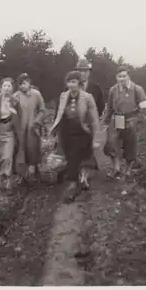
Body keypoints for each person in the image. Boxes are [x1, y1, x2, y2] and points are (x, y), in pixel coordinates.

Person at [50, 71, 101, 203]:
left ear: (79, 83)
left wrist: (96, 139)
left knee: (74, 158)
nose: (71, 85)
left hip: (82, 133)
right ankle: (78, 178)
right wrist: (55, 132)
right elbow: (59, 114)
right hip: (66, 133)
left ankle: (72, 187)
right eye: (69, 82)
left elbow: (94, 120)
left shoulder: (87, 97)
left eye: (73, 82)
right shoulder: (63, 96)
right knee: (69, 158)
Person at [103, 65, 146, 176]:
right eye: (120, 76)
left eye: (124, 76)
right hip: (117, 118)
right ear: (116, 77)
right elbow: (109, 107)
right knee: (111, 143)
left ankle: (128, 170)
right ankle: (116, 169)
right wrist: (105, 121)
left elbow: (145, 108)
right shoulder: (113, 90)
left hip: (131, 119)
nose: (122, 78)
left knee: (130, 144)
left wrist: (137, 120)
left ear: (128, 77)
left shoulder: (137, 89)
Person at [74, 58, 106, 187]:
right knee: (76, 150)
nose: (83, 74)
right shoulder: (71, 86)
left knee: (88, 150)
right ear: (77, 72)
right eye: (81, 71)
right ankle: (79, 171)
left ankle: (84, 177)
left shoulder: (95, 88)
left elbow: (101, 106)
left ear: (89, 72)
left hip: (90, 125)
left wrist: (94, 119)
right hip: (75, 124)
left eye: (86, 71)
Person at [13, 73, 46, 184]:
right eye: (20, 84)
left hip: (33, 127)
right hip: (20, 128)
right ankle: (23, 175)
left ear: (29, 83)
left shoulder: (36, 94)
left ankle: (36, 170)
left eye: (24, 83)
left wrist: (37, 121)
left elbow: (42, 110)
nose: (22, 86)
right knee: (21, 151)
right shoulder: (16, 96)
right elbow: (11, 111)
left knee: (33, 148)